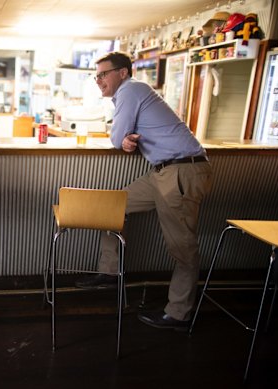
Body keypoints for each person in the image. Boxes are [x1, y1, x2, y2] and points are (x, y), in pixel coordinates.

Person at [74, 51, 213, 330]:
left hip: (181, 172)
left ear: (122, 72)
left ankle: (178, 314)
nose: (98, 80)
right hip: (164, 171)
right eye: (96, 75)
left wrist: (122, 139)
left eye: (104, 74)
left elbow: (116, 137)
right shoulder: (131, 93)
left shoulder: (131, 90)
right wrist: (125, 139)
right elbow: (122, 137)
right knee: (112, 207)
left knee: (182, 248)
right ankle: (110, 272)